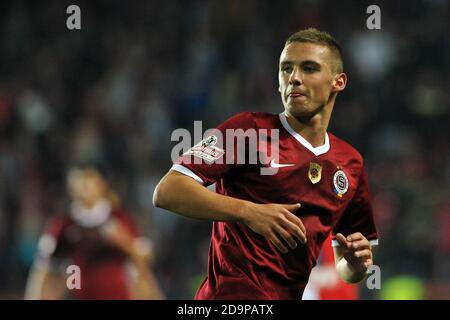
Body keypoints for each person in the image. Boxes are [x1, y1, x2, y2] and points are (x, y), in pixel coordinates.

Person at [153, 28, 378, 299]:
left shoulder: (349, 162)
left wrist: (356, 264)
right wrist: (248, 212)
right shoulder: (249, 131)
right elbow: (168, 191)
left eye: (309, 68)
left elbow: (346, 270)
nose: (294, 78)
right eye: (286, 69)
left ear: (338, 82)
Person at [25, 166, 164, 300]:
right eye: (80, 180)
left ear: (102, 184)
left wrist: (122, 241)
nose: (85, 185)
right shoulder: (65, 224)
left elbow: (145, 257)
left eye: (89, 179)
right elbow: (42, 266)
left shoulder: (120, 218)